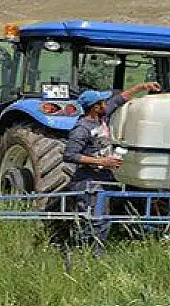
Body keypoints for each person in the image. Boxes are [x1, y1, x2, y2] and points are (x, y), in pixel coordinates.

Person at [61, 82, 161, 251]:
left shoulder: (103, 118)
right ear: (95, 107)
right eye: (102, 102)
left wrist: (143, 86)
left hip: (103, 178)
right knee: (94, 220)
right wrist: (102, 162)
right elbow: (70, 155)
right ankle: (83, 253)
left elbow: (120, 99)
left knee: (102, 218)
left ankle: (91, 252)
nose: (106, 104)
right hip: (89, 180)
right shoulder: (81, 129)